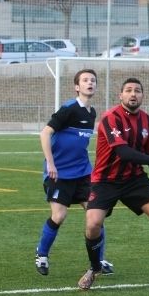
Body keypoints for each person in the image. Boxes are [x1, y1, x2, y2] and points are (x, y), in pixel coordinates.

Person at [78, 78, 149, 291]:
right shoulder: (109, 118)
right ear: (120, 95)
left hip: (135, 180)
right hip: (106, 180)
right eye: (129, 91)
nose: (133, 94)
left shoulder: (147, 121)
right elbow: (124, 152)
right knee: (93, 224)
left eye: (138, 91)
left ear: (142, 96)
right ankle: (94, 267)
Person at [35, 69, 113, 276]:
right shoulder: (69, 108)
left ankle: (99, 260)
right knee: (59, 215)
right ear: (77, 86)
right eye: (85, 80)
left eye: (93, 80)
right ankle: (41, 254)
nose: (90, 83)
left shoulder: (91, 112)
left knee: (96, 217)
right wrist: (50, 164)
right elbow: (45, 132)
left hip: (83, 173)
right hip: (59, 174)